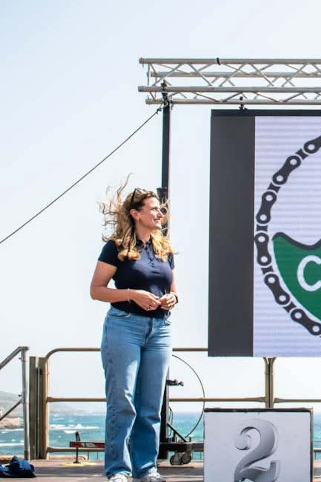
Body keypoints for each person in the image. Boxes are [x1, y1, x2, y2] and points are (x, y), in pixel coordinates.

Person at [90, 186, 178, 482]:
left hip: (160, 330)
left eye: (161, 210)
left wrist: (172, 299)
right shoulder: (115, 247)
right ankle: (118, 469)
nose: (159, 214)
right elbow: (97, 290)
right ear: (136, 213)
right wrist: (131, 294)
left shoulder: (164, 248)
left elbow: (173, 290)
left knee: (151, 405)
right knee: (122, 400)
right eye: (154, 209)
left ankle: (147, 469)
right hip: (124, 325)